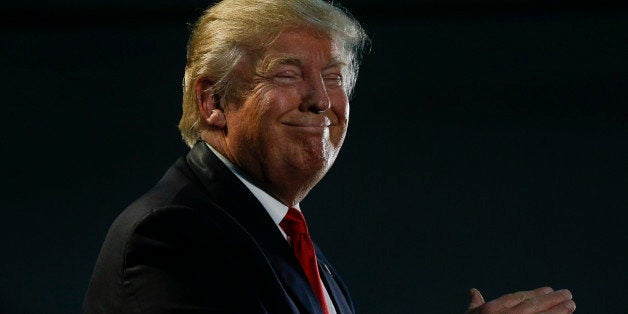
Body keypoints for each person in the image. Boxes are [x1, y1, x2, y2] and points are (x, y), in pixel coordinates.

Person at [83, 1, 576, 313]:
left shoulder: (279, 234)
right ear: (213, 102)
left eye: (335, 77)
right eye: (287, 73)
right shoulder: (175, 234)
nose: (321, 100)